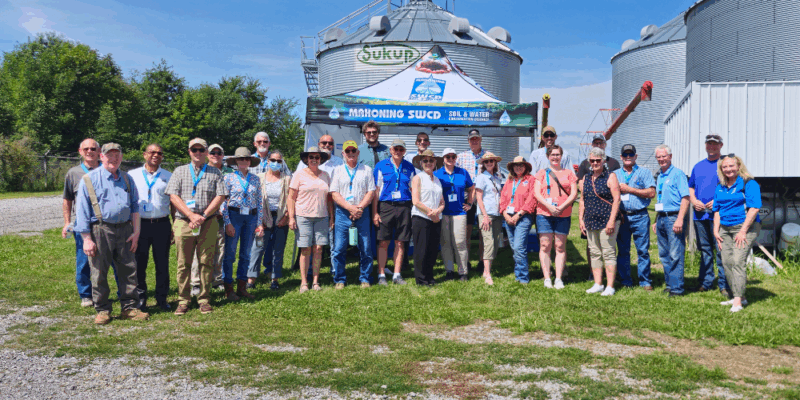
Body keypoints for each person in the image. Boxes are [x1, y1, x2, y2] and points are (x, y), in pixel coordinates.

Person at [74, 143, 148, 325]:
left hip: (125, 229)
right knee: (99, 272)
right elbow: (82, 211)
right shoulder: (89, 179)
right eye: (109, 155)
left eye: (117, 155)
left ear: (121, 157)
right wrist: (86, 239)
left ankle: (129, 307)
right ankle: (103, 310)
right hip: (100, 229)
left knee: (128, 270)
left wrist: (136, 232)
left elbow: (135, 207)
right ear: (101, 156)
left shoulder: (127, 179)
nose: (114, 159)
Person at [165, 138, 228, 315]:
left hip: (208, 222)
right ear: (189, 151)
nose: (198, 153)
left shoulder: (215, 173)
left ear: (206, 152)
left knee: (206, 262)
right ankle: (183, 300)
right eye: (194, 150)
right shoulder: (179, 171)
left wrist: (203, 215)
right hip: (184, 222)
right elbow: (173, 196)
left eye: (201, 150)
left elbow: (220, 196)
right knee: (183, 264)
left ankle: (204, 299)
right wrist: (191, 215)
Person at [62, 138, 117, 307]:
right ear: (80, 151)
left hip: (106, 222)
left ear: (99, 152)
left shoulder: (108, 170)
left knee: (114, 259)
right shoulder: (73, 173)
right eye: (86, 149)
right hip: (84, 223)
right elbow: (67, 199)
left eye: (93, 148)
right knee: (84, 258)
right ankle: (86, 294)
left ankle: (122, 291)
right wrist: (67, 222)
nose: (89, 151)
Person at [712, 155, 761, 312]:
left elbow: (754, 208)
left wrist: (743, 231)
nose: (728, 169)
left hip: (745, 226)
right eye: (724, 167)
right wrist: (715, 230)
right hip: (724, 228)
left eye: (731, 166)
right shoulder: (720, 186)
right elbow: (717, 210)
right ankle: (740, 296)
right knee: (726, 262)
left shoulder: (749, 183)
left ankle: (737, 301)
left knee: (737, 261)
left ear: (738, 166)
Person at [130, 144, 173, 311]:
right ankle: (140, 299)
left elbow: (174, 203)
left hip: (162, 223)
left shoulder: (169, 176)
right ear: (144, 155)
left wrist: (174, 226)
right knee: (139, 263)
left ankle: (162, 299)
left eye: (159, 153)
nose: (156, 155)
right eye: (152, 152)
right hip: (140, 225)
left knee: (162, 263)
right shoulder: (132, 175)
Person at [330, 141, 376, 288]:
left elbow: (371, 191)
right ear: (343, 153)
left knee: (366, 248)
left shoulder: (367, 170)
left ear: (358, 153)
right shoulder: (337, 170)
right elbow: (334, 194)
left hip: (362, 212)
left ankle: (365, 278)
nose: (351, 154)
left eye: (353, 151)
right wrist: (350, 208)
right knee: (339, 248)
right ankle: (340, 279)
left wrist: (360, 207)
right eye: (347, 151)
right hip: (343, 213)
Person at [220, 148, 264, 300]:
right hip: (234, 216)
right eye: (241, 159)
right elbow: (223, 202)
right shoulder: (228, 178)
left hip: (250, 218)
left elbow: (259, 202)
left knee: (246, 254)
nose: (244, 161)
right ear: (236, 161)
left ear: (250, 161)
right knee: (230, 254)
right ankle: (228, 288)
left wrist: (259, 223)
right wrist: (227, 223)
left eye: (246, 159)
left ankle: (242, 287)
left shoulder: (256, 179)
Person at [288, 146, 333, 293]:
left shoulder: (325, 175)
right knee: (305, 249)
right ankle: (304, 282)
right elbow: (291, 197)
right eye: (311, 157)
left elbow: (329, 199)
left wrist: (332, 216)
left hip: (322, 216)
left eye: (317, 157)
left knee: (319, 249)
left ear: (321, 159)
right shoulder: (299, 174)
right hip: (303, 216)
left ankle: (315, 281)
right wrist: (291, 217)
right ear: (306, 159)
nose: (314, 159)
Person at [689, 134, 729, 297]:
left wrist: (717, 200)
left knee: (721, 250)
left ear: (721, 146)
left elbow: (731, 186)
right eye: (709, 144)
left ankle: (724, 285)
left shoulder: (725, 166)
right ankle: (706, 282)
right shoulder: (698, 166)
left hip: (718, 216)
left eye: (715, 144)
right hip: (700, 215)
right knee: (705, 249)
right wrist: (693, 200)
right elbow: (690, 187)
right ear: (705, 146)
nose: (711, 147)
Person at [533, 145, 578, 289]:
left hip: (563, 214)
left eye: (558, 154)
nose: (555, 157)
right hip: (544, 214)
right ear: (548, 156)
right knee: (545, 245)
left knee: (560, 246)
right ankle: (547, 278)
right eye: (552, 155)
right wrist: (550, 206)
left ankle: (558, 278)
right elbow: (537, 193)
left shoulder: (569, 173)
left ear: (562, 156)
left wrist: (563, 206)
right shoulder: (541, 173)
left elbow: (573, 193)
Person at [372, 138, 416, 285]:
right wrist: (375, 212)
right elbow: (375, 192)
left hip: (404, 207)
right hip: (386, 206)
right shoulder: (381, 166)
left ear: (404, 151)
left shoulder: (410, 167)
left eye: (401, 149)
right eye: (395, 149)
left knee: (400, 242)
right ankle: (381, 274)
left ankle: (397, 274)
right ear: (390, 150)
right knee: (383, 241)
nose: (398, 152)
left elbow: (413, 190)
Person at [580, 147, 622, 296]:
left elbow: (617, 199)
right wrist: (581, 219)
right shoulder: (586, 178)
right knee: (594, 253)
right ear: (589, 161)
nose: (595, 163)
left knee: (608, 252)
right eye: (592, 160)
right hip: (590, 220)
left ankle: (610, 286)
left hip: (607, 220)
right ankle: (598, 283)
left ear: (603, 161)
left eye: (598, 160)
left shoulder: (610, 177)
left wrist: (611, 221)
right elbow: (582, 200)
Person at [613, 144, 656, 290]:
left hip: (640, 216)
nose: (628, 157)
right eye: (625, 155)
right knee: (623, 250)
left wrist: (629, 189)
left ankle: (645, 281)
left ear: (635, 156)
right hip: (622, 217)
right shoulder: (615, 174)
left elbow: (651, 193)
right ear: (621, 157)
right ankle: (625, 280)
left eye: (631, 155)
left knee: (643, 250)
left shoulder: (644, 172)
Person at [248, 150, 291, 291]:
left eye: (279, 161)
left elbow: (291, 200)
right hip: (261, 220)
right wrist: (259, 221)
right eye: (273, 160)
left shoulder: (287, 179)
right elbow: (253, 200)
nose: (276, 163)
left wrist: (286, 217)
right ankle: (251, 279)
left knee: (278, 250)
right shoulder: (258, 178)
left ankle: (275, 279)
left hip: (280, 219)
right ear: (267, 161)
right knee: (257, 248)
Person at [190, 143, 230, 295]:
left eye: (219, 153)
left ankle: (217, 280)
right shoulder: (200, 169)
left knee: (219, 250)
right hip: (200, 217)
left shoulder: (230, 172)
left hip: (220, 219)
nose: (216, 155)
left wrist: (222, 209)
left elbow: (230, 196)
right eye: (212, 152)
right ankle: (195, 282)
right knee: (197, 251)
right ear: (207, 154)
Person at [652, 144, 690, 297]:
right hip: (662, 217)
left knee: (675, 254)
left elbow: (686, 198)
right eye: (659, 157)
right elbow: (660, 198)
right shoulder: (660, 175)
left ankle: (677, 288)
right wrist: (656, 220)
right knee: (664, 254)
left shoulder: (678, 174)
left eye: (664, 156)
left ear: (670, 156)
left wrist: (680, 219)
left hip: (674, 217)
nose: (661, 159)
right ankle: (670, 284)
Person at [437, 147, 475, 281]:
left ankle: (463, 272)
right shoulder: (437, 174)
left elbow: (471, 188)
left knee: (460, 242)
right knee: (446, 242)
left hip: (459, 212)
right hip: (444, 213)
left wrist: (469, 203)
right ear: (443, 159)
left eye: (453, 157)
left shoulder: (463, 172)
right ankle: (449, 271)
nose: (451, 159)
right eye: (448, 157)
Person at [498, 156, 537, 284]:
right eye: (516, 165)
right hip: (508, 217)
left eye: (521, 165)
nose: (518, 167)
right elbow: (503, 199)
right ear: (512, 168)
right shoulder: (509, 181)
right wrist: (505, 215)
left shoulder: (531, 180)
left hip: (523, 217)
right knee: (514, 247)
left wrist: (518, 215)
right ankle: (518, 274)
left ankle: (523, 277)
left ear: (525, 166)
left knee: (519, 247)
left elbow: (532, 199)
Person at [410, 150, 444, 286]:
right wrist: (432, 213)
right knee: (421, 249)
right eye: (425, 161)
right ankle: (421, 279)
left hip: (436, 219)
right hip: (421, 217)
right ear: (421, 163)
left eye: (431, 160)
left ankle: (430, 276)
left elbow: (442, 202)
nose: (428, 163)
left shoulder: (437, 180)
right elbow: (416, 201)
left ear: (435, 163)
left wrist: (438, 212)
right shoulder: (418, 178)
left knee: (433, 249)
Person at [455, 129, 485, 271]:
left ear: (480, 140)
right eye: (472, 139)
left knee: (483, 231)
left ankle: (482, 261)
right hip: (467, 198)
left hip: (483, 199)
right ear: (468, 141)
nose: (474, 141)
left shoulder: (487, 156)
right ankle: (465, 261)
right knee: (465, 231)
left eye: (476, 139)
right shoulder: (461, 157)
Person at [474, 152, 504, 286]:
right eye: (486, 162)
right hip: (486, 214)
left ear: (495, 163)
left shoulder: (497, 178)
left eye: (491, 161)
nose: (489, 163)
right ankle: (487, 273)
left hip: (497, 215)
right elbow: (478, 197)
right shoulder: (481, 178)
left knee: (496, 243)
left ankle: (487, 270)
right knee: (489, 243)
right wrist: (485, 216)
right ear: (483, 164)